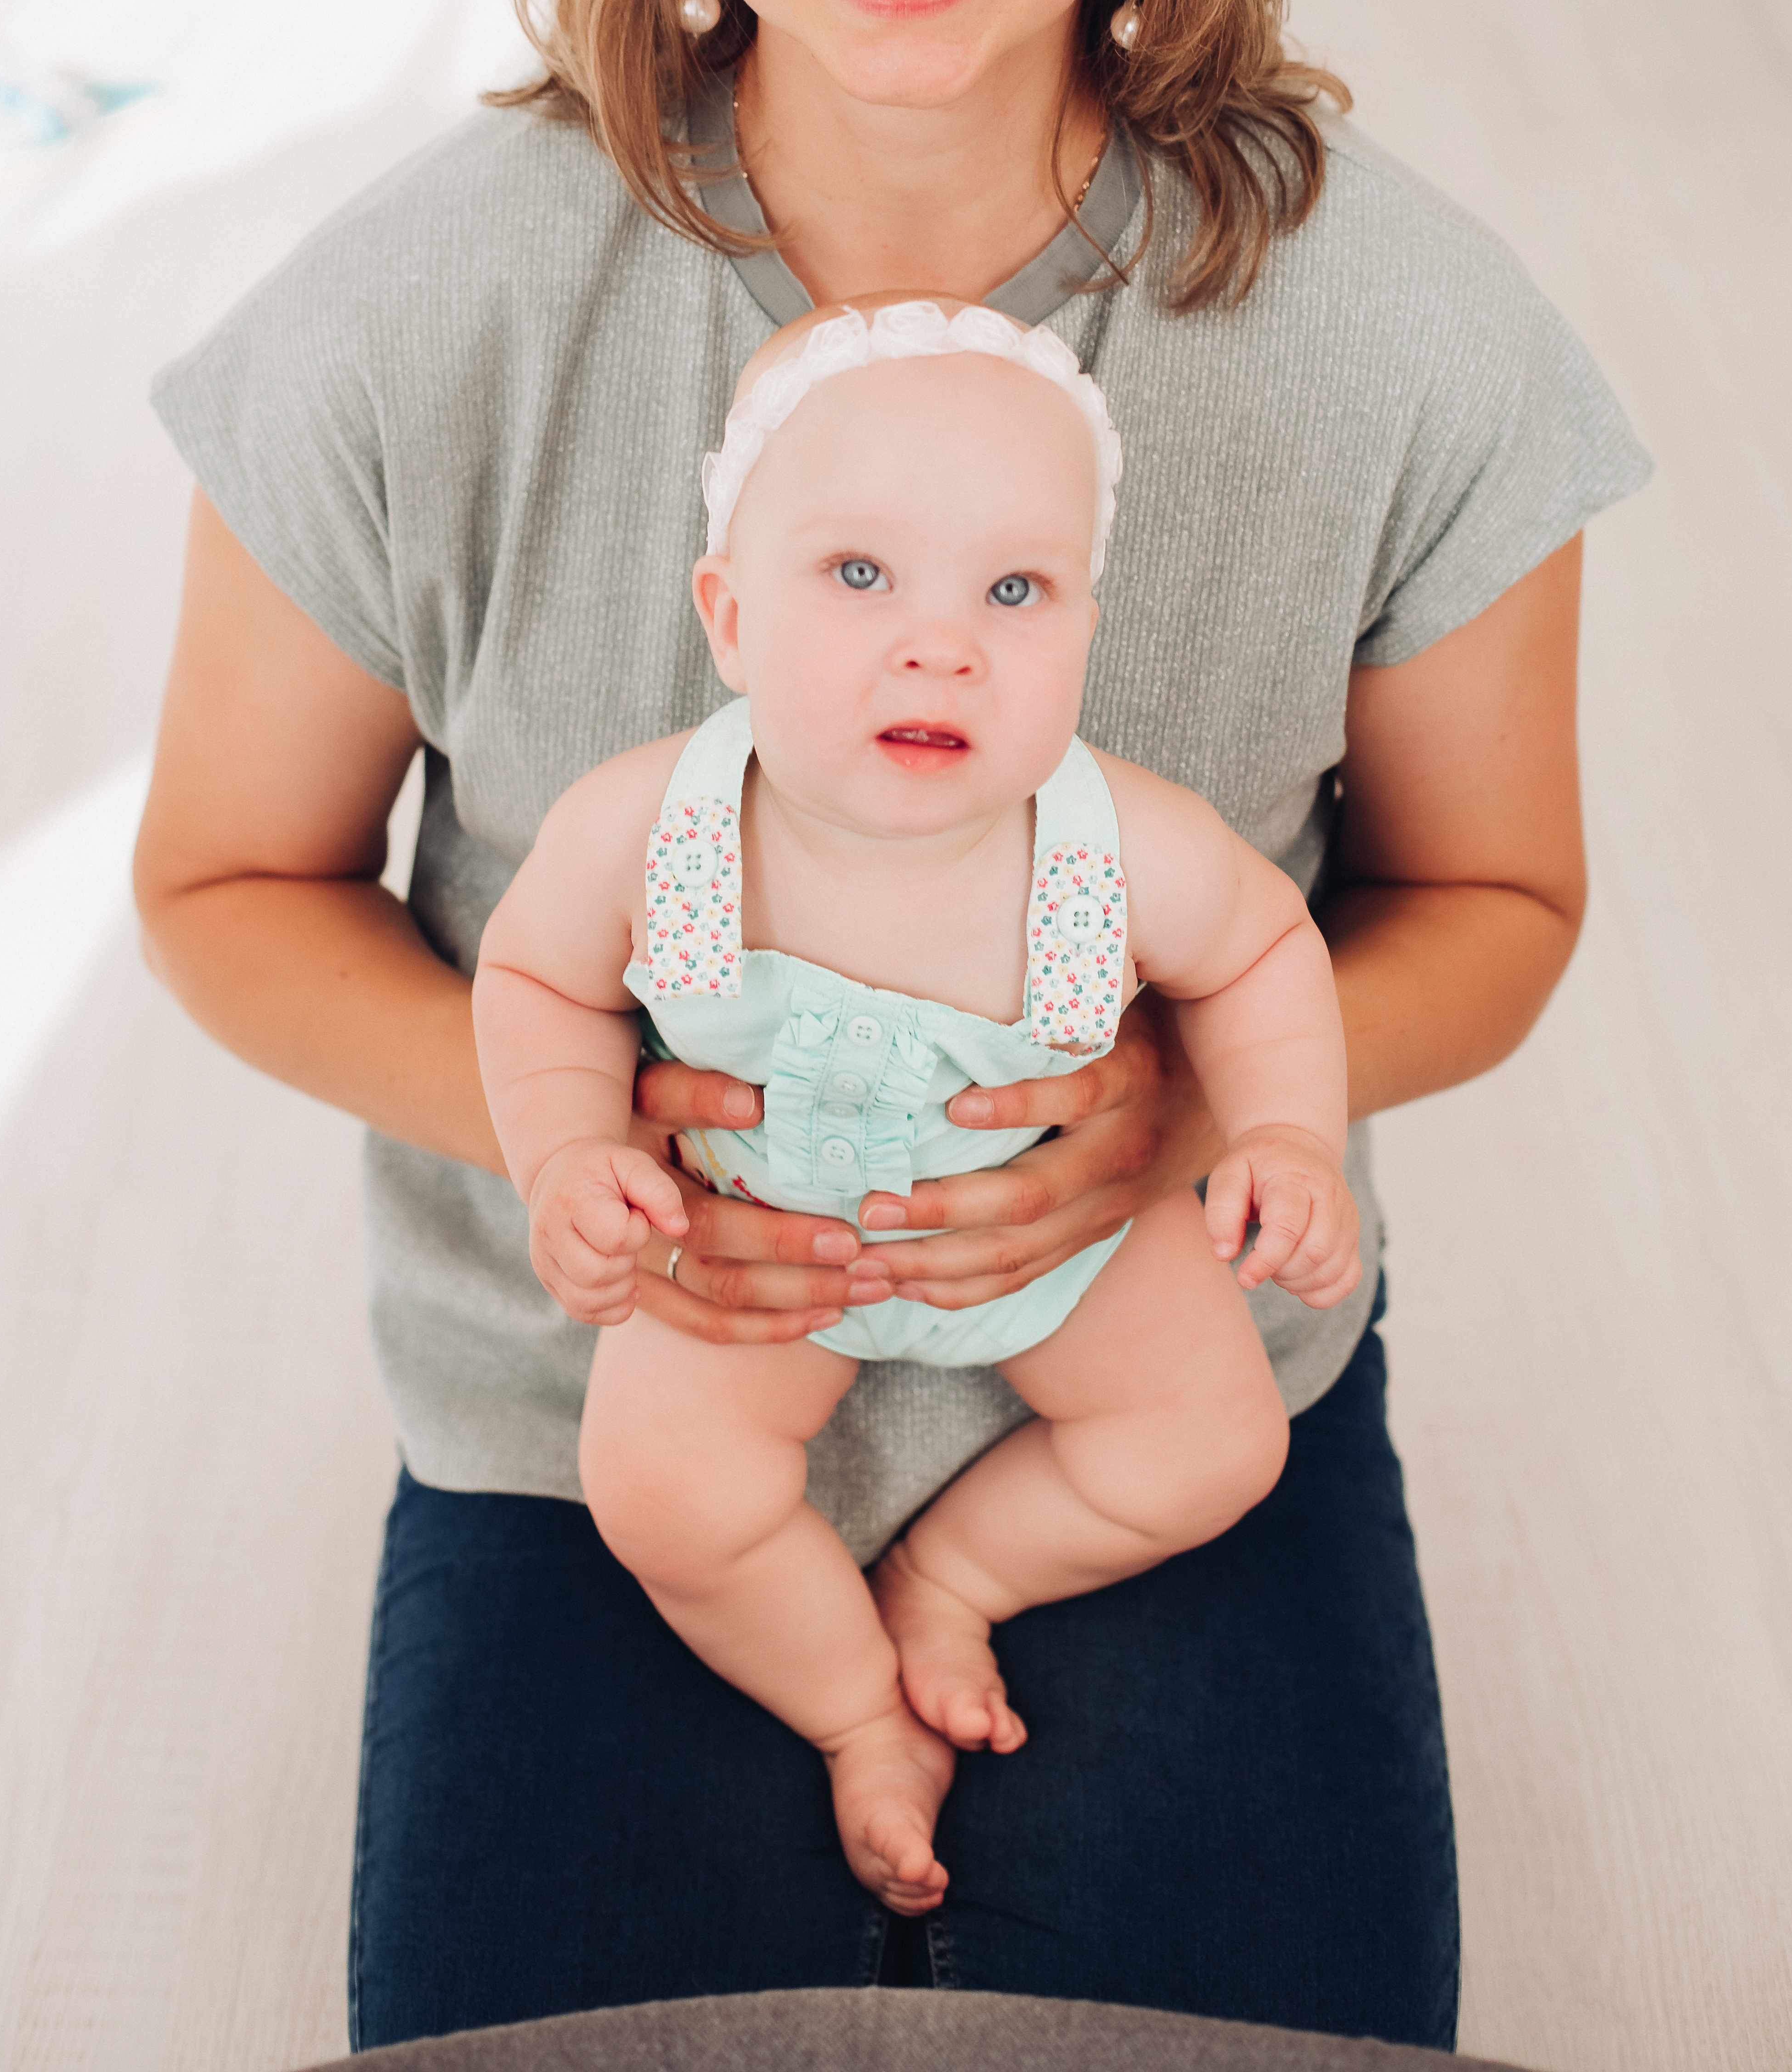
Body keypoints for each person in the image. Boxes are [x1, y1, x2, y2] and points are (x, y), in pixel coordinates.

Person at [132, 0, 1647, 2051]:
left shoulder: (1403, 334)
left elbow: (1495, 896)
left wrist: (1171, 1111)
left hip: (1155, 1367)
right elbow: (228, 884)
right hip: (596, 1403)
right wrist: (579, 1131)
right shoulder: (423, 308)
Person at [476, 297, 1361, 1914]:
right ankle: (855, 1713)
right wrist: (567, 1151)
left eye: (1014, 590)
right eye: (859, 575)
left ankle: (953, 1577)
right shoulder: (647, 828)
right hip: (748, 1237)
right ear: (727, 618)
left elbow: (1258, 955)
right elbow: (538, 983)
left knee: (1214, 1444)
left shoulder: (1119, 844)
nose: (939, 641)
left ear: (1087, 629)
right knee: (665, 1497)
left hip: (1056, 1236)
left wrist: (1289, 1134)